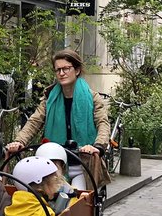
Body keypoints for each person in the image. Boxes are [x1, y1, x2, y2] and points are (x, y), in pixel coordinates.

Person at [6, 49, 110, 191]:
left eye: (66, 68)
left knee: (78, 202)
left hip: (82, 162)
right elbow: (35, 121)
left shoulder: (92, 97)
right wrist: (19, 141)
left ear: (77, 70)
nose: (61, 73)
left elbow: (102, 123)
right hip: (54, 163)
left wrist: (97, 146)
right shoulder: (50, 98)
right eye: (58, 70)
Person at [5, 157, 76, 216]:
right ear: (41, 187)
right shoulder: (45, 215)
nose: (56, 188)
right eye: (53, 182)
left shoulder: (17, 203)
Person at [34, 142, 77, 213]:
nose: (51, 172)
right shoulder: (35, 186)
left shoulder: (67, 190)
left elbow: (72, 210)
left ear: (62, 169)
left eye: (55, 167)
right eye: (46, 167)